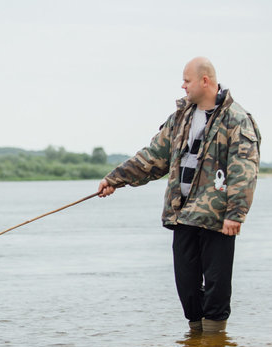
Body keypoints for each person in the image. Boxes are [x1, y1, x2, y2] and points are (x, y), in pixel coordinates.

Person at [97, 57, 261, 333]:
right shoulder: (181, 118)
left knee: (217, 286)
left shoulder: (237, 120)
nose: (182, 86)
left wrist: (236, 213)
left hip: (218, 218)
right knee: (186, 286)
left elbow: (244, 171)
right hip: (182, 214)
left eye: (187, 80)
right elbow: (153, 157)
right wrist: (116, 178)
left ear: (205, 81)